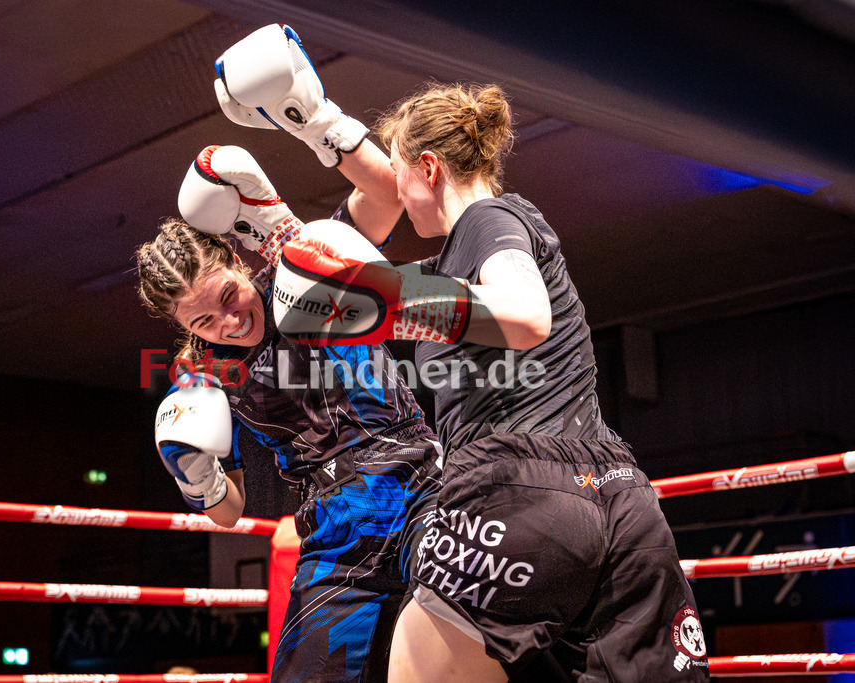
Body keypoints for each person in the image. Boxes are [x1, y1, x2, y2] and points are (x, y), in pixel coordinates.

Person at [214, 24, 709, 682]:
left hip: (515, 495)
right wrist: (301, 178)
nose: (396, 183)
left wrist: (387, 290)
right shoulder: (456, 260)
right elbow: (355, 265)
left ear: (429, 169)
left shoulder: (486, 220)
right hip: (622, 497)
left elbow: (524, 312)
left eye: (401, 169)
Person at [135, 137, 441, 681]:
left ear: (235, 259)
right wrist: (194, 478)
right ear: (182, 328)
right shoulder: (205, 379)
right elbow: (229, 511)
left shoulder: (299, 268)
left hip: (424, 482)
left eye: (228, 297)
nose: (229, 323)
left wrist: (325, 128)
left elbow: (386, 195)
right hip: (340, 524)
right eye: (204, 322)